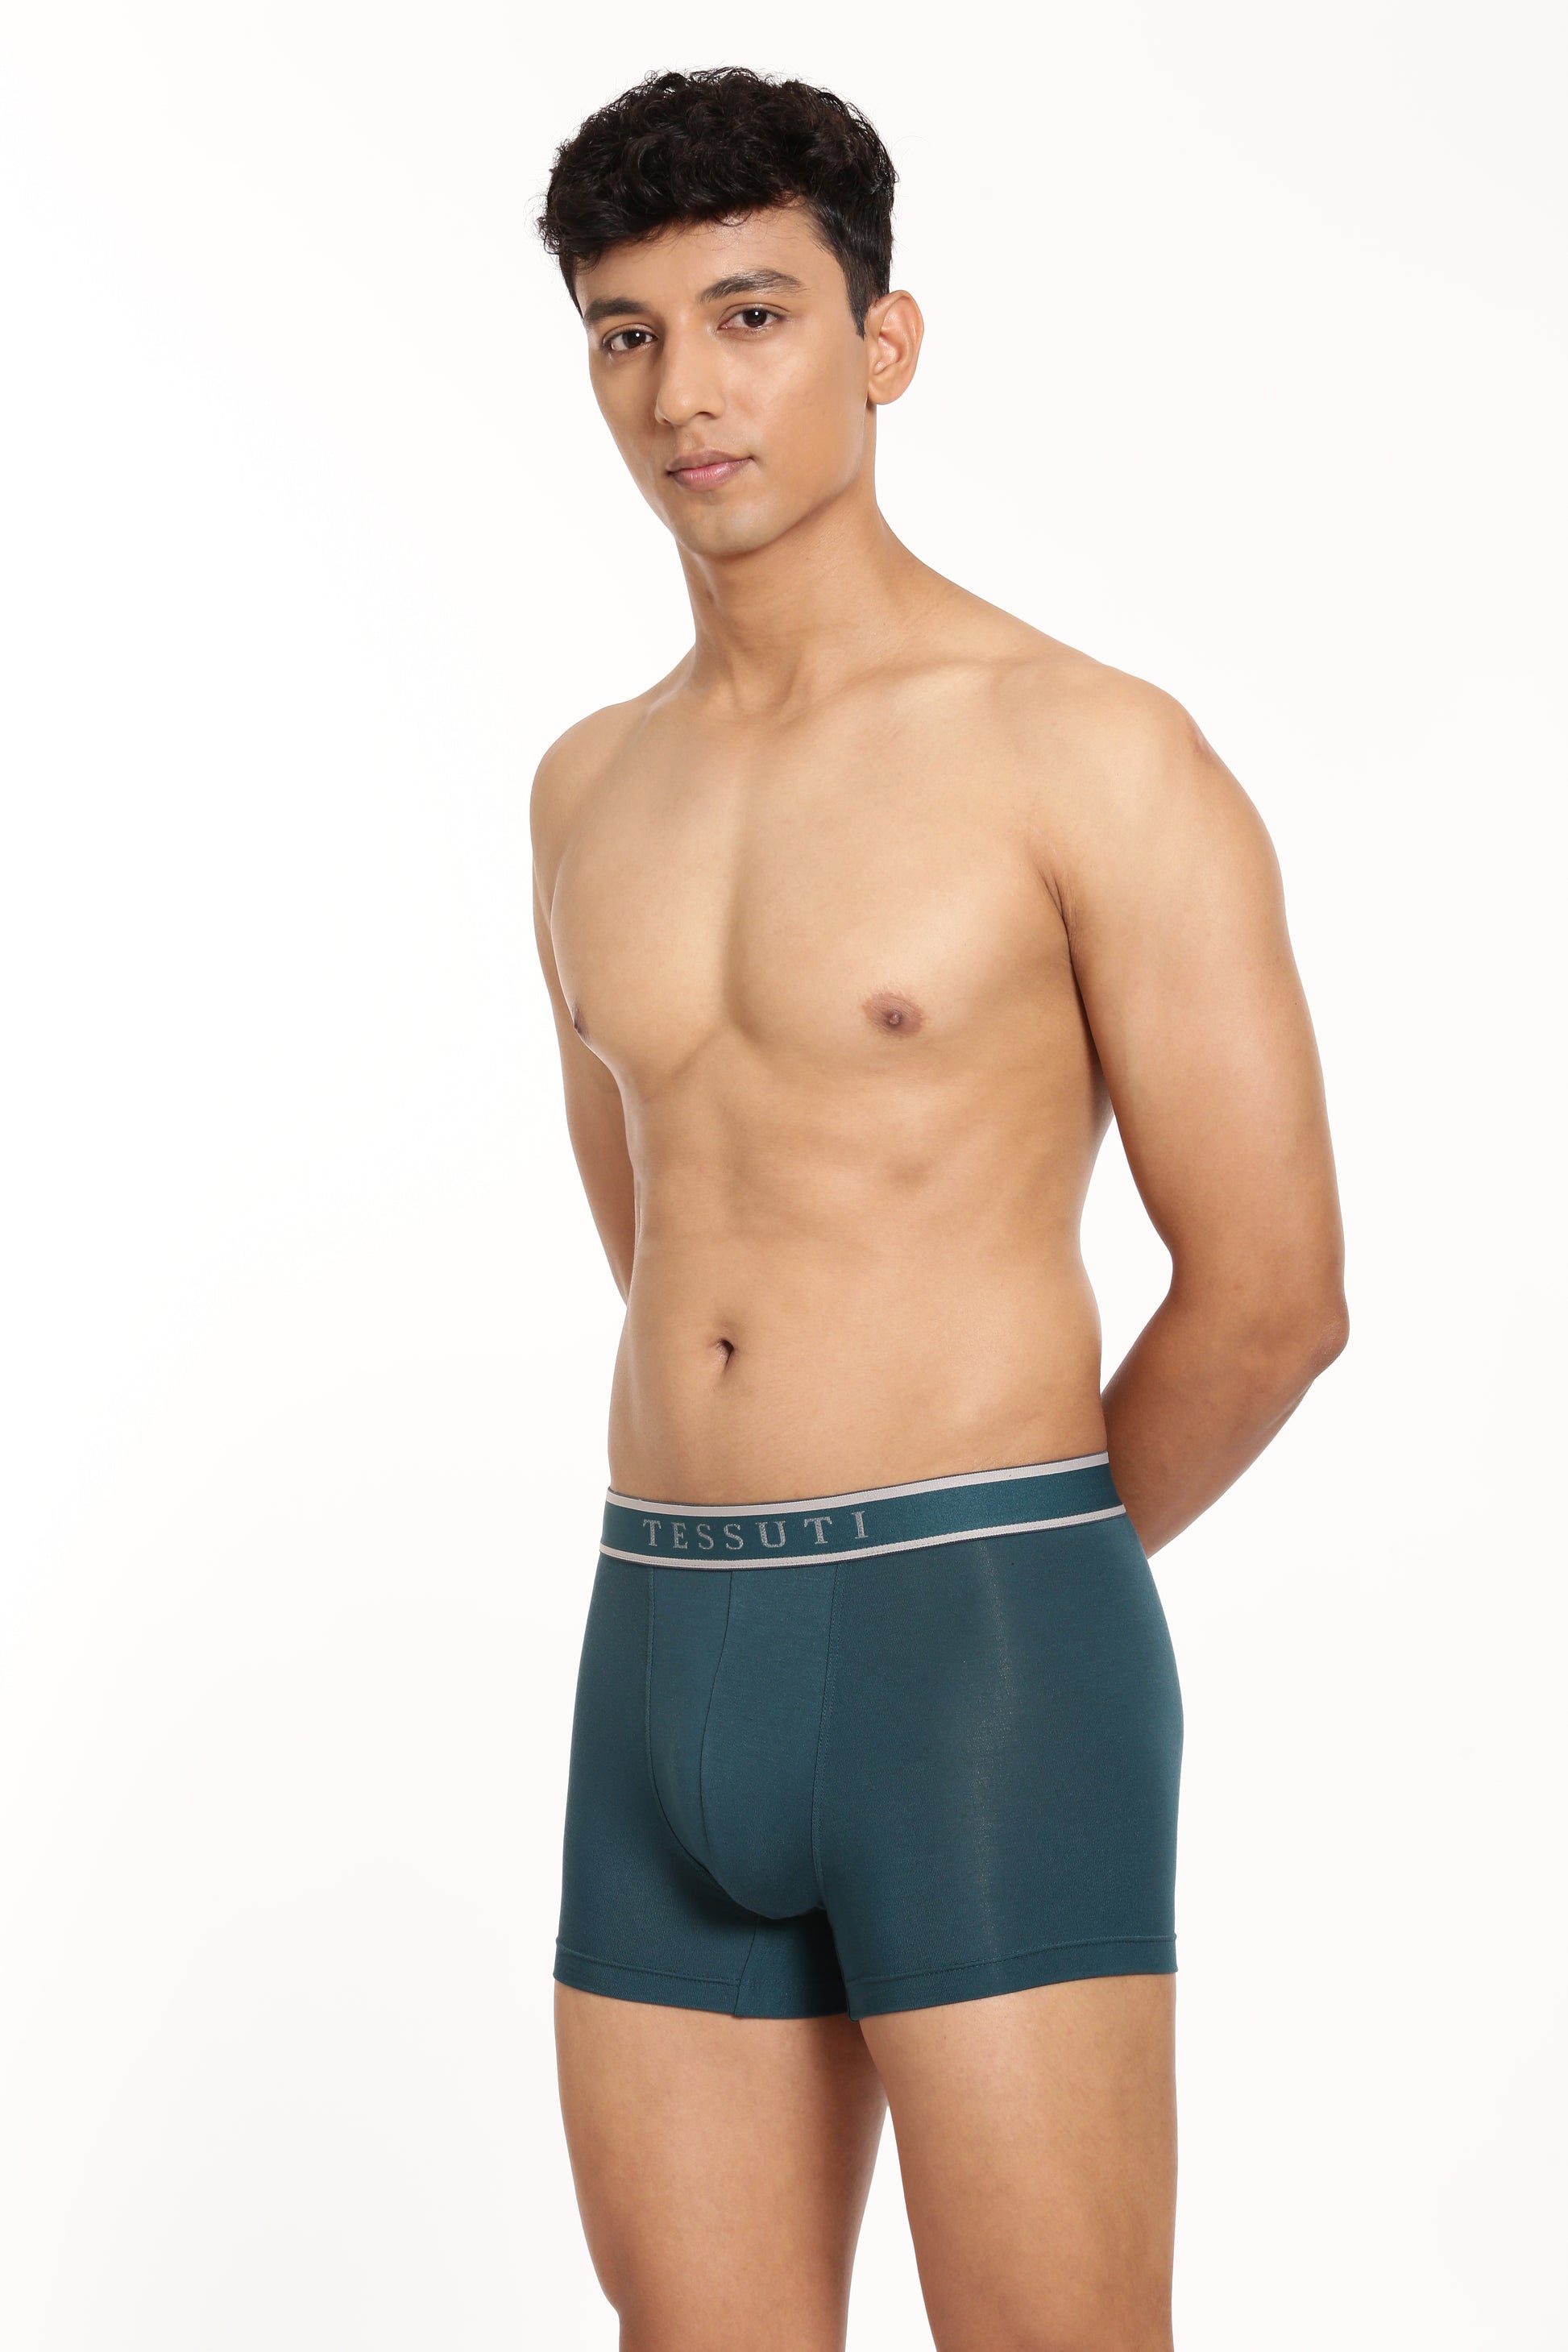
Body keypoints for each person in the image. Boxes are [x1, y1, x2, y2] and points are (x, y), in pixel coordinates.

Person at [529, 66, 1346, 2352]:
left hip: (977, 1654)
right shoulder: (585, 791)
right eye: (624, 334)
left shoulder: (1083, 749)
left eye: (752, 315)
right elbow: (666, 1238)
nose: (686, 393)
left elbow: (1274, 1296)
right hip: (655, 1647)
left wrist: (1010, 1581)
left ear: (882, 340)